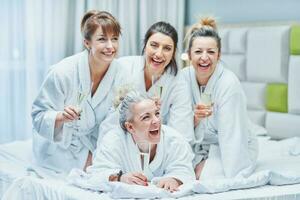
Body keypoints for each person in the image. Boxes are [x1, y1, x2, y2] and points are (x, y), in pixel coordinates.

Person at [31, 10, 122, 173]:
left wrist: (101, 155)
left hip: (93, 145)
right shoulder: (62, 72)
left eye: (114, 39)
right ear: (87, 43)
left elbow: (113, 121)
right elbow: (38, 116)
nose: (110, 46)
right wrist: (60, 117)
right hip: (57, 147)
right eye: (102, 39)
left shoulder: (120, 73)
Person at [179, 17, 258, 179]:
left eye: (211, 52)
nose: (204, 57)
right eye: (198, 51)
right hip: (198, 146)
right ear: (189, 55)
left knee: (204, 176)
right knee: (178, 173)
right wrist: (194, 119)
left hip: (231, 147)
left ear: (219, 55)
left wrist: (233, 178)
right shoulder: (182, 79)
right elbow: (177, 126)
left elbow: (233, 137)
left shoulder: (229, 84)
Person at [98, 21, 194, 144]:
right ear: (145, 45)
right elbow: (108, 119)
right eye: (154, 45)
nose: (159, 54)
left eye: (167, 48)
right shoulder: (123, 67)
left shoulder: (179, 83)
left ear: (173, 52)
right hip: (120, 143)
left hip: (157, 147)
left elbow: (181, 133)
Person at [87, 90, 195, 192]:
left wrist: (174, 179)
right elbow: (97, 174)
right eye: (146, 117)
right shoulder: (113, 141)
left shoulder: (174, 140)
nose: (156, 121)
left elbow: (185, 171)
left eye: (157, 114)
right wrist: (120, 178)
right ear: (130, 127)